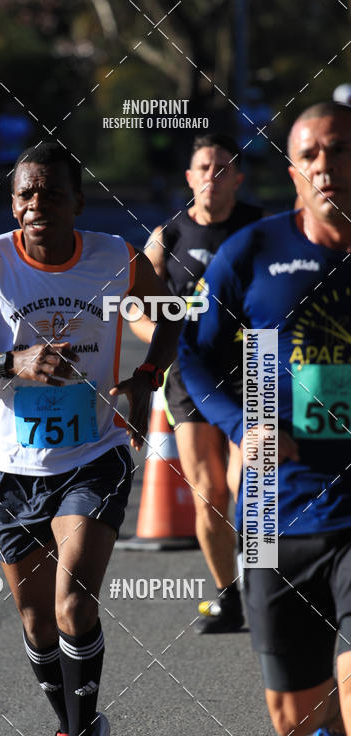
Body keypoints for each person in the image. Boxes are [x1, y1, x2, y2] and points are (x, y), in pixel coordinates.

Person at [0, 142, 181, 736]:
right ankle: (72, 730)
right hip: (10, 467)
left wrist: (144, 379)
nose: (35, 206)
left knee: (73, 604)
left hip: (93, 454)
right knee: (38, 623)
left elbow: (173, 320)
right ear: (13, 205)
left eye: (48, 194)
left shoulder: (115, 257)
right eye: (23, 197)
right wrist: (11, 360)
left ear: (77, 201)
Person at [178, 102, 351, 736]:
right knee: (293, 717)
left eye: (339, 151)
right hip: (277, 516)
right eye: (309, 154)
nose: (325, 165)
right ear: (291, 172)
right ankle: (333, 729)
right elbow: (195, 359)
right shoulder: (251, 254)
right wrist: (237, 427)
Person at [132, 133, 261, 633]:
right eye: (203, 167)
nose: (213, 175)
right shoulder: (167, 238)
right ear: (190, 178)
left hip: (254, 366)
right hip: (190, 372)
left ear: (238, 177)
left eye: (223, 167)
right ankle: (229, 597)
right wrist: (165, 344)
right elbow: (136, 310)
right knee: (209, 493)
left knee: (248, 482)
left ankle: (264, 574)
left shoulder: (260, 228)